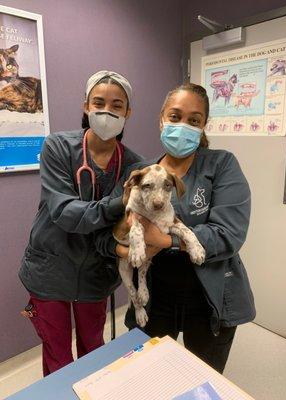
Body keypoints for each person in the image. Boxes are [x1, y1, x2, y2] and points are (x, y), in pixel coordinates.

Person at [95, 83, 256, 374]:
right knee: (148, 378)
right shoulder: (142, 172)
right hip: (155, 299)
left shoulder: (221, 165)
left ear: (204, 125)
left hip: (208, 299)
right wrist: (120, 247)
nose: (183, 126)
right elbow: (108, 229)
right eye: (175, 116)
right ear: (161, 119)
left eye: (194, 120)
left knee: (201, 381)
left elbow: (228, 234)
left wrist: (166, 240)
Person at [19, 70, 143, 376]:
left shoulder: (133, 165)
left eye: (117, 105)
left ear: (128, 112)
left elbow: (120, 227)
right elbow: (64, 212)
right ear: (86, 106)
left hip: (95, 274)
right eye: (98, 102)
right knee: (57, 356)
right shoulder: (57, 147)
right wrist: (118, 202)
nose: (106, 111)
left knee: (93, 352)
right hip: (50, 270)